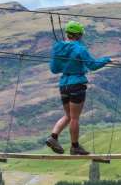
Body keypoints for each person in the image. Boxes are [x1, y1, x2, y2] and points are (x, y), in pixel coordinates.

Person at [45, 20, 110, 156]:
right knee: (74, 118)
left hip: (63, 85)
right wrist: (106, 60)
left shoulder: (58, 48)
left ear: (67, 33)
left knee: (68, 115)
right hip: (77, 84)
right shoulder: (80, 49)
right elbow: (92, 65)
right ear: (79, 35)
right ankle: (75, 146)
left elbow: (53, 69)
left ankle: (54, 136)